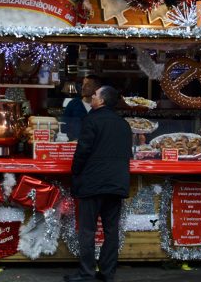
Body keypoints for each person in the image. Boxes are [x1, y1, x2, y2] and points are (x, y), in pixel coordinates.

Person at [65, 86, 132, 282]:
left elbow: (82, 151)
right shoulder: (123, 124)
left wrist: (75, 172)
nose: (92, 97)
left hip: (93, 183)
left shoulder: (91, 120)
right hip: (117, 183)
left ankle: (86, 273)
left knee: (88, 230)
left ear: (101, 101)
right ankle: (107, 272)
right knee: (112, 231)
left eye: (95, 95)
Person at [61, 75, 103, 141]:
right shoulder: (73, 104)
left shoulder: (101, 107)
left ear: (96, 89)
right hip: (75, 146)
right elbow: (63, 126)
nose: (83, 87)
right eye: (83, 84)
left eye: (88, 85)